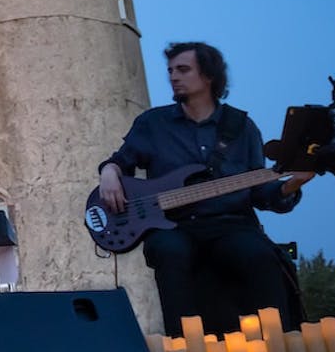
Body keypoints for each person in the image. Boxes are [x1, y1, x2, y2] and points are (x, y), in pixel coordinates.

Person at [99, 41, 313, 336]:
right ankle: (186, 349)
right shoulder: (153, 123)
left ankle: (279, 343)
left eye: (183, 69)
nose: (173, 77)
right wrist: (109, 172)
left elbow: (260, 193)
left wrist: (293, 183)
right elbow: (120, 162)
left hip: (231, 224)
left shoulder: (242, 127)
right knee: (169, 251)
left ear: (209, 76)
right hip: (174, 226)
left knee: (260, 255)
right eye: (170, 70)